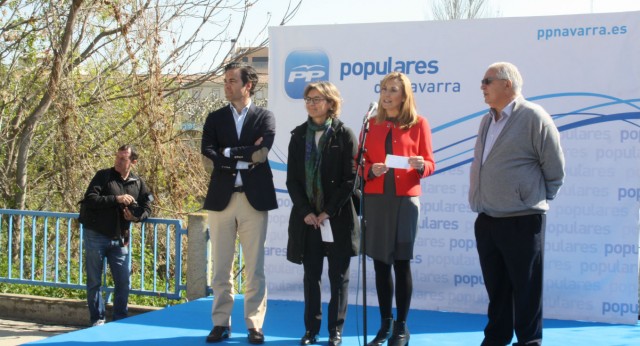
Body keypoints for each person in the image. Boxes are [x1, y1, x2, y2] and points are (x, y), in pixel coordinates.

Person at [468, 62, 565, 346]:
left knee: (526, 288)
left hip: (522, 219)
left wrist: (530, 198)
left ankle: (529, 341)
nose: (482, 86)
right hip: (487, 218)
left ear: (507, 84)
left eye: (487, 81)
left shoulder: (534, 117)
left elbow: (555, 168)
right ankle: (497, 338)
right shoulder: (487, 119)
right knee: (497, 288)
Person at [201, 62, 277, 345]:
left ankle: (254, 325)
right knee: (220, 267)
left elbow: (262, 152)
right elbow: (207, 153)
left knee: (255, 267)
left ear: (248, 85)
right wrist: (240, 154)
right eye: (225, 80)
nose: (227, 85)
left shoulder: (265, 117)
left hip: (253, 199)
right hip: (222, 200)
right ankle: (221, 323)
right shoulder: (215, 118)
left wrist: (228, 152)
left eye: (232, 80)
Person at [362, 72, 435, 346]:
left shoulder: (419, 124)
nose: (387, 94)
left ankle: (402, 327)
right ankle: (385, 324)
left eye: (393, 90)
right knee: (381, 264)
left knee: (401, 262)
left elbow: (430, 163)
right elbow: (359, 163)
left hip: (405, 199)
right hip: (376, 199)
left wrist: (420, 165)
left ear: (404, 96)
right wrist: (370, 170)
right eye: (383, 89)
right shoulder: (370, 124)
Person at [286, 82, 360, 346]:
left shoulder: (345, 135)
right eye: (308, 98)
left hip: (336, 218)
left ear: (331, 103)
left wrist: (327, 211)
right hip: (308, 221)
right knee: (311, 276)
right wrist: (307, 212)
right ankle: (311, 330)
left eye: (318, 99)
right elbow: (292, 181)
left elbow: (350, 180)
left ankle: (335, 331)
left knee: (338, 277)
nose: (312, 103)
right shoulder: (298, 136)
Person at [79, 144, 152, 326]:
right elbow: (90, 199)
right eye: (117, 157)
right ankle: (97, 319)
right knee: (95, 280)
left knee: (123, 281)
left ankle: (119, 320)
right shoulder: (103, 176)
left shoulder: (138, 182)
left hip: (120, 239)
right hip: (96, 234)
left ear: (133, 162)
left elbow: (148, 206)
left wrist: (136, 217)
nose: (118, 161)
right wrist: (116, 199)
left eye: (123, 158)